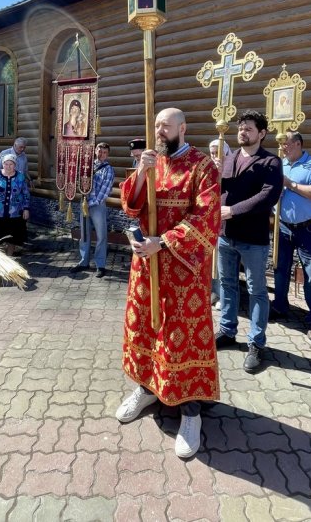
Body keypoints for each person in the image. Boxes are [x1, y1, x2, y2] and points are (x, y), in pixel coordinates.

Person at [116, 108, 220, 459]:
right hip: (146, 266)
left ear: (182, 128)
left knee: (181, 337)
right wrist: (140, 173)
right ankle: (147, 389)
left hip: (181, 272)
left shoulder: (202, 166)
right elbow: (131, 206)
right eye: (157, 125)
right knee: (146, 328)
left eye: (166, 126)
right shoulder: (150, 161)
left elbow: (206, 217)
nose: (159, 131)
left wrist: (162, 242)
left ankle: (191, 412)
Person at [215, 110, 283, 374]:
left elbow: (268, 196)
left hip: (253, 238)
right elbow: (220, 190)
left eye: (248, 128)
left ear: (262, 133)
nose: (242, 132)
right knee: (228, 285)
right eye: (241, 128)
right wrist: (214, 175)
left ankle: (256, 343)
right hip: (226, 235)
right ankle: (227, 330)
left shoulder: (270, 162)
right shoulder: (229, 158)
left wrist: (232, 210)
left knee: (256, 290)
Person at [270, 131, 311, 341]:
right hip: (283, 226)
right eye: (281, 144)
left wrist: (290, 184)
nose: (282, 147)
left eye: (286, 144)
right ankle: (279, 306)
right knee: (279, 269)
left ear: (298, 143)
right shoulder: (280, 164)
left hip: (307, 229)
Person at [70, 142, 115, 278]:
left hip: (97, 205)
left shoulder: (108, 169)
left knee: (101, 235)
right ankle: (84, 262)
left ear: (108, 154)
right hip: (84, 203)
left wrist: (91, 203)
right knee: (84, 233)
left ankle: (100, 265)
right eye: (99, 151)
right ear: (95, 151)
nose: (101, 154)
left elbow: (105, 190)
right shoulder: (87, 166)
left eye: (105, 152)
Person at [0, 153, 31, 255]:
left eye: (11, 164)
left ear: (15, 165)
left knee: (12, 238)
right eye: (6, 164)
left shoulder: (20, 176)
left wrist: (26, 208)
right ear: (2, 164)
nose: (8, 166)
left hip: (15, 214)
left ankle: (9, 258)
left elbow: (26, 193)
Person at [208, 137, 232, 309]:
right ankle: (212, 292)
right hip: (209, 221)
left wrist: (222, 173)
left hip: (226, 222)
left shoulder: (232, 167)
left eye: (218, 153)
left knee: (223, 262)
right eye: (212, 153)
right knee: (210, 261)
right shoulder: (208, 167)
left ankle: (224, 296)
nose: (215, 156)